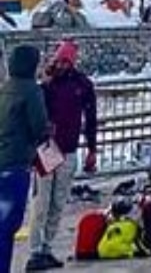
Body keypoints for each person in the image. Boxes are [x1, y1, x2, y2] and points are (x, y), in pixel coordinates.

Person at [25, 39, 97, 271]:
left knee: (58, 202)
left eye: (67, 60)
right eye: (60, 60)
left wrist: (92, 148)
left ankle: (47, 246)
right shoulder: (47, 85)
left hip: (69, 149)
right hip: (47, 149)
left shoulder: (82, 85)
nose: (62, 64)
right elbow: (34, 115)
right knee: (41, 201)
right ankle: (35, 250)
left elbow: (91, 119)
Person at [0, 46, 48, 271]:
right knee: (7, 225)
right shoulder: (30, 90)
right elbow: (39, 127)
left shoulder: (5, 88)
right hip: (16, 163)